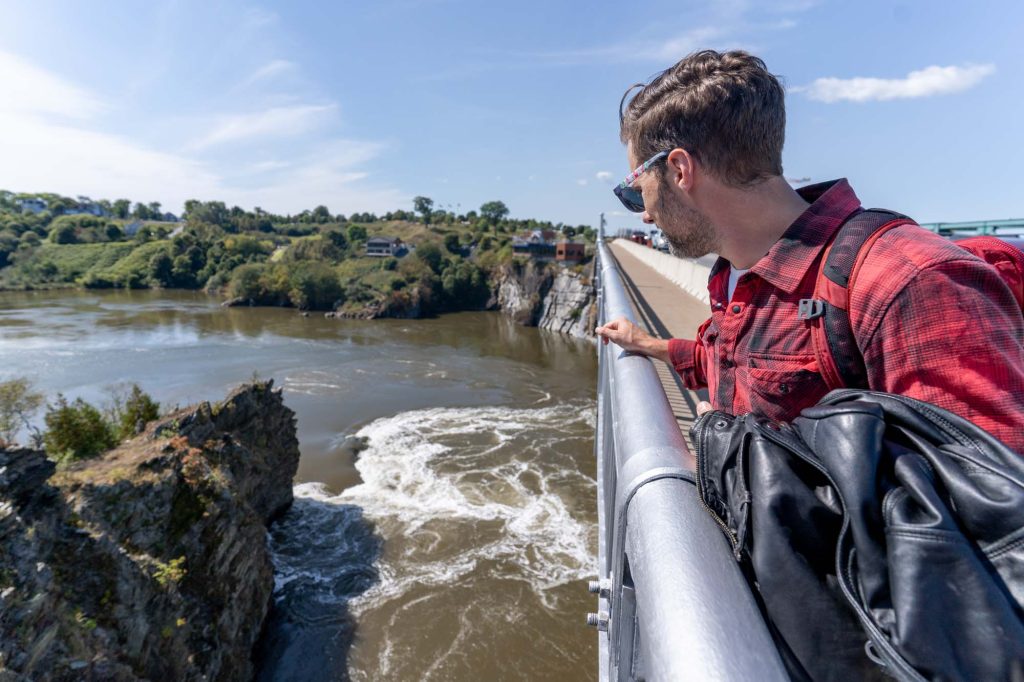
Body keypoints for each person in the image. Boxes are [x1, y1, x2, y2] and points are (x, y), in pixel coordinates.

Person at [595, 49, 1024, 452]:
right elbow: (740, 366)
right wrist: (649, 344)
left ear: (679, 170)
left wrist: (738, 458)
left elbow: (989, 510)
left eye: (637, 191)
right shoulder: (737, 274)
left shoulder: (907, 281)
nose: (644, 215)